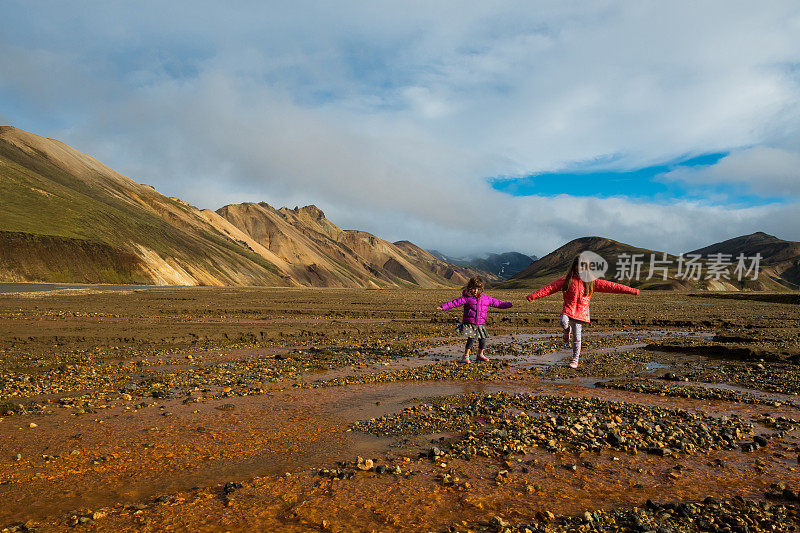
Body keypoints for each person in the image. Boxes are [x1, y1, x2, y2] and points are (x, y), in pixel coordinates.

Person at [526, 255, 639, 368]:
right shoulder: (567, 279)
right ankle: (566, 330)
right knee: (563, 321)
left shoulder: (591, 281)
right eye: (578, 265)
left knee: (577, 337)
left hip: (581, 312)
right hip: (569, 308)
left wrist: (632, 291)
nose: (580, 268)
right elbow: (550, 288)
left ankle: (575, 359)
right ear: (574, 266)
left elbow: (612, 286)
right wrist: (534, 296)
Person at [438, 277, 512, 364]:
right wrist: (443, 307)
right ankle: (466, 356)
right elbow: (455, 302)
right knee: (471, 339)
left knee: (483, 340)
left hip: (480, 324)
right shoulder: (466, 298)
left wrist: (506, 305)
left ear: (481, 289)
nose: (475, 291)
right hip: (470, 323)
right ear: (469, 288)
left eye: (478, 289)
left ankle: (480, 355)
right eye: (473, 288)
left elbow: (497, 303)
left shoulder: (486, 298)